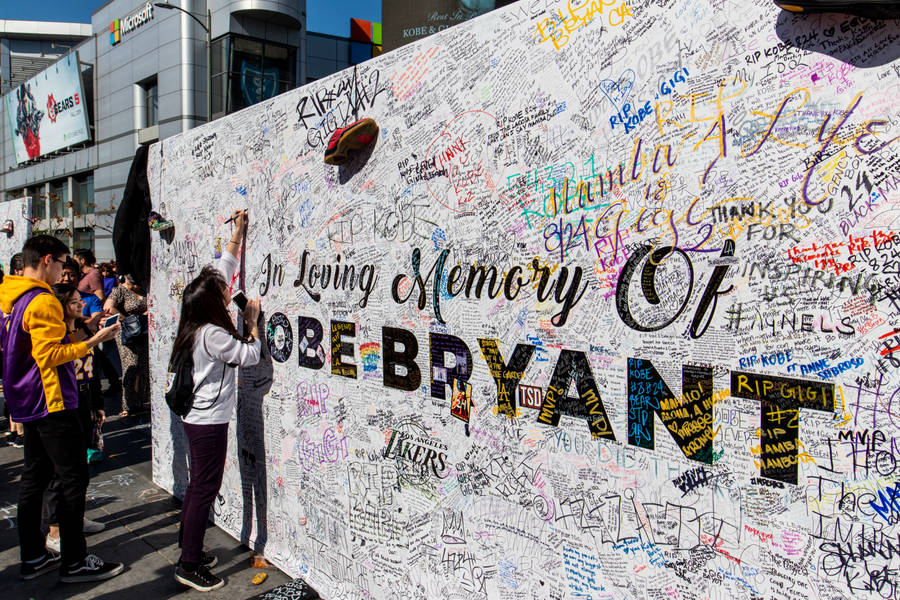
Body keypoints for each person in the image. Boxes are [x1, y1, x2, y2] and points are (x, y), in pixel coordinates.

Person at [0, 235, 124, 583]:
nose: (64, 273)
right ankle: (74, 560)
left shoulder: (13, 298)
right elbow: (49, 357)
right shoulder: (41, 301)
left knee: (35, 478)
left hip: (27, 401)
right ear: (47, 260)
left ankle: (34, 556)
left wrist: (78, 330)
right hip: (51, 401)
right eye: (61, 265)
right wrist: (91, 342)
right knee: (73, 478)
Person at [172, 210, 260, 592]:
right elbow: (250, 355)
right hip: (209, 421)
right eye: (223, 294)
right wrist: (253, 325)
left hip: (196, 417)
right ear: (212, 303)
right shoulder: (214, 335)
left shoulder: (193, 321)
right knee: (204, 487)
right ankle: (188, 563)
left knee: (197, 486)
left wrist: (237, 235)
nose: (228, 292)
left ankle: (188, 546)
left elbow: (223, 270)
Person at [43, 284, 106, 553]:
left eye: (80, 301)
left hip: (84, 399)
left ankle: (76, 517)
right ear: (60, 306)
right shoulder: (59, 335)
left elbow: (92, 372)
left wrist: (97, 404)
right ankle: (55, 530)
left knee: (81, 466)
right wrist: (90, 337)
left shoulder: (83, 328)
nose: (79, 306)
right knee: (62, 471)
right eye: (73, 302)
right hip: (63, 402)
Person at [104, 274, 149, 417]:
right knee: (130, 364)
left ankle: (139, 401)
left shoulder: (144, 290)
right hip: (127, 333)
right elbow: (108, 308)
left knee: (143, 365)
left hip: (143, 332)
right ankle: (127, 404)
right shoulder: (119, 291)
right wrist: (128, 320)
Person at [6, 252, 26, 446]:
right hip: (11, 350)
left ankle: (16, 430)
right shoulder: (11, 293)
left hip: (13, 349)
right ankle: (18, 431)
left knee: (14, 390)